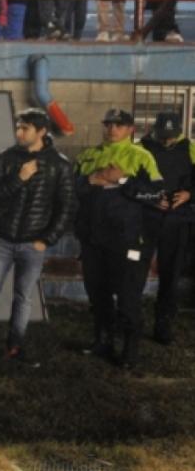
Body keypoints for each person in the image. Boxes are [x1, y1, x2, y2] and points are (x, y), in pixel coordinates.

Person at [0, 108, 75, 365]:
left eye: (25, 128)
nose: (19, 132)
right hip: (2, 239)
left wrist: (47, 240)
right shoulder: (5, 158)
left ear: (42, 132)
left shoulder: (59, 165)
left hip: (33, 244)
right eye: (18, 127)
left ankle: (15, 346)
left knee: (23, 296)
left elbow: (67, 206)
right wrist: (19, 178)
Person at [73, 108, 164, 367]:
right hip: (93, 241)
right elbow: (73, 191)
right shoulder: (88, 156)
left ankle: (130, 351)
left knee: (127, 298)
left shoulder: (141, 157)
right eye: (109, 125)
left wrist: (122, 179)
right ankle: (103, 342)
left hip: (127, 242)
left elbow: (156, 196)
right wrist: (92, 179)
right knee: (98, 295)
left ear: (130, 129)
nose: (112, 129)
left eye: (119, 125)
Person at [139, 112, 194, 344]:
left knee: (170, 275)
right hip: (146, 219)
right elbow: (132, 182)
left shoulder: (189, 148)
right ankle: (131, 321)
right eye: (163, 137)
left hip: (177, 220)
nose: (167, 141)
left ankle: (163, 325)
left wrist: (190, 194)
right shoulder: (142, 147)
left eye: (171, 137)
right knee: (135, 272)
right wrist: (151, 198)